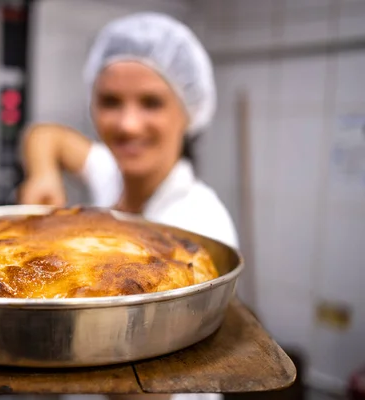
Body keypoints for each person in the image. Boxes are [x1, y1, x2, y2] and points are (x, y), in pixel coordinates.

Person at [18, 11, 237, 400]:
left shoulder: (200, 224)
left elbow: (157, 383)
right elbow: (45, 135)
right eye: (110, 101)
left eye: (151, 103)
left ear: (188, 112)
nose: (128, 125)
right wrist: (43, 175)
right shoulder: (113, 173)